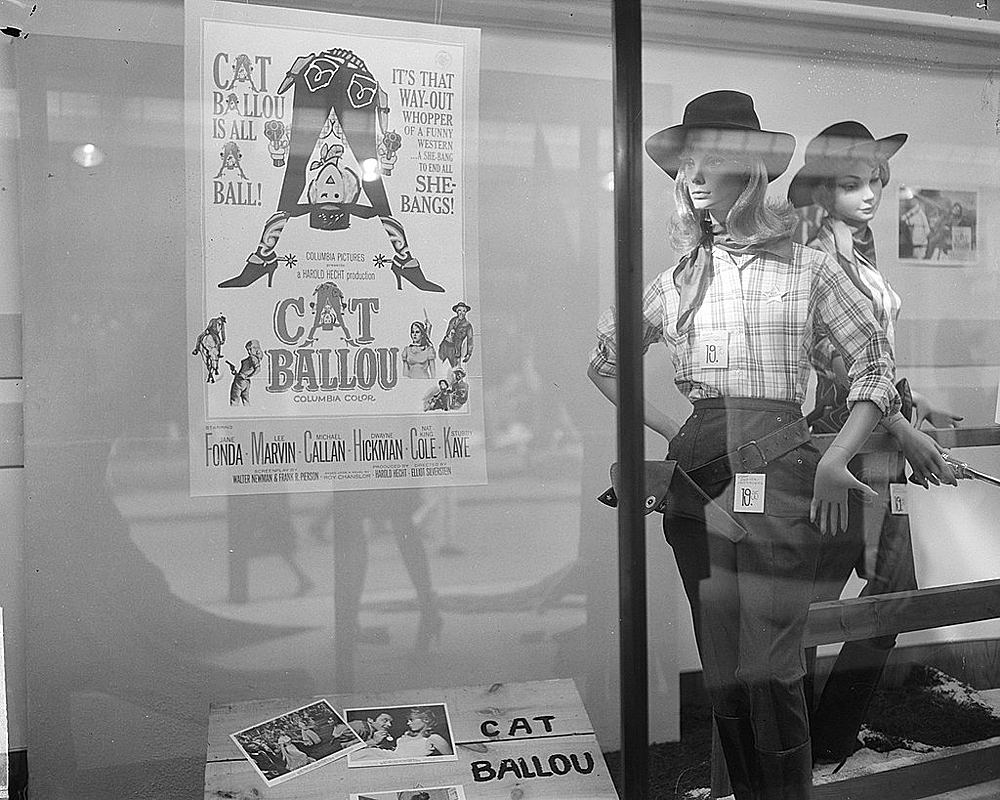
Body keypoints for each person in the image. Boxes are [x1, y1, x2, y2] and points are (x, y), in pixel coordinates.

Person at [589, 90, 902, 798]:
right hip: (698, 484)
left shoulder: (808, 268)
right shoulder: (679, 280)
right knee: (724, 672)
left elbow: (875, 365)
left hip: (780, 476)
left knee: (773, 667)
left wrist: (834, 457)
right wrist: (674, 431)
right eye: (687, 164)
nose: (695, 176)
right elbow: (604, 365)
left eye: (712, 159)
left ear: (751, 171)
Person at [787, 121, 960, 764]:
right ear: (821, 189)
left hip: (876, 437)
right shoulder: (815, 258)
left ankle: (826, 730)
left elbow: (875, 357)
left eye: (876, 182)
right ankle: (805, 736)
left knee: (888, 585)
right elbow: (835, 361)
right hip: (840, 440)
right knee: (822, 592)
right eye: (851, 183)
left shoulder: (860, 253)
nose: (869, 195)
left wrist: (913, 402)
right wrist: (903, 425)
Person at [438, 302, 474, 368]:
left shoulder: (468, 325)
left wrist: (469, 354)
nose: (461, 313)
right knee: (440, 366)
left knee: (456, 369)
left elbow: (470, 340)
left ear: (466, 312)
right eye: (459, 310)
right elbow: (447, 333)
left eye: (464, 311)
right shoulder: (452, 320)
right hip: (445, 346)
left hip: (455, 350)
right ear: (457, 311)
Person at [227, 339, 263, 406]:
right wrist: (235, 372)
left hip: (240, 381)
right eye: (248, 349)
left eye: (250, 349)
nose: (248, 351)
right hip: (246, 382)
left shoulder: (253, 358)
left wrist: (247, 376)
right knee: (246, 401)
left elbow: (258, 369)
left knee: (234, 401)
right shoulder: (254, 358)